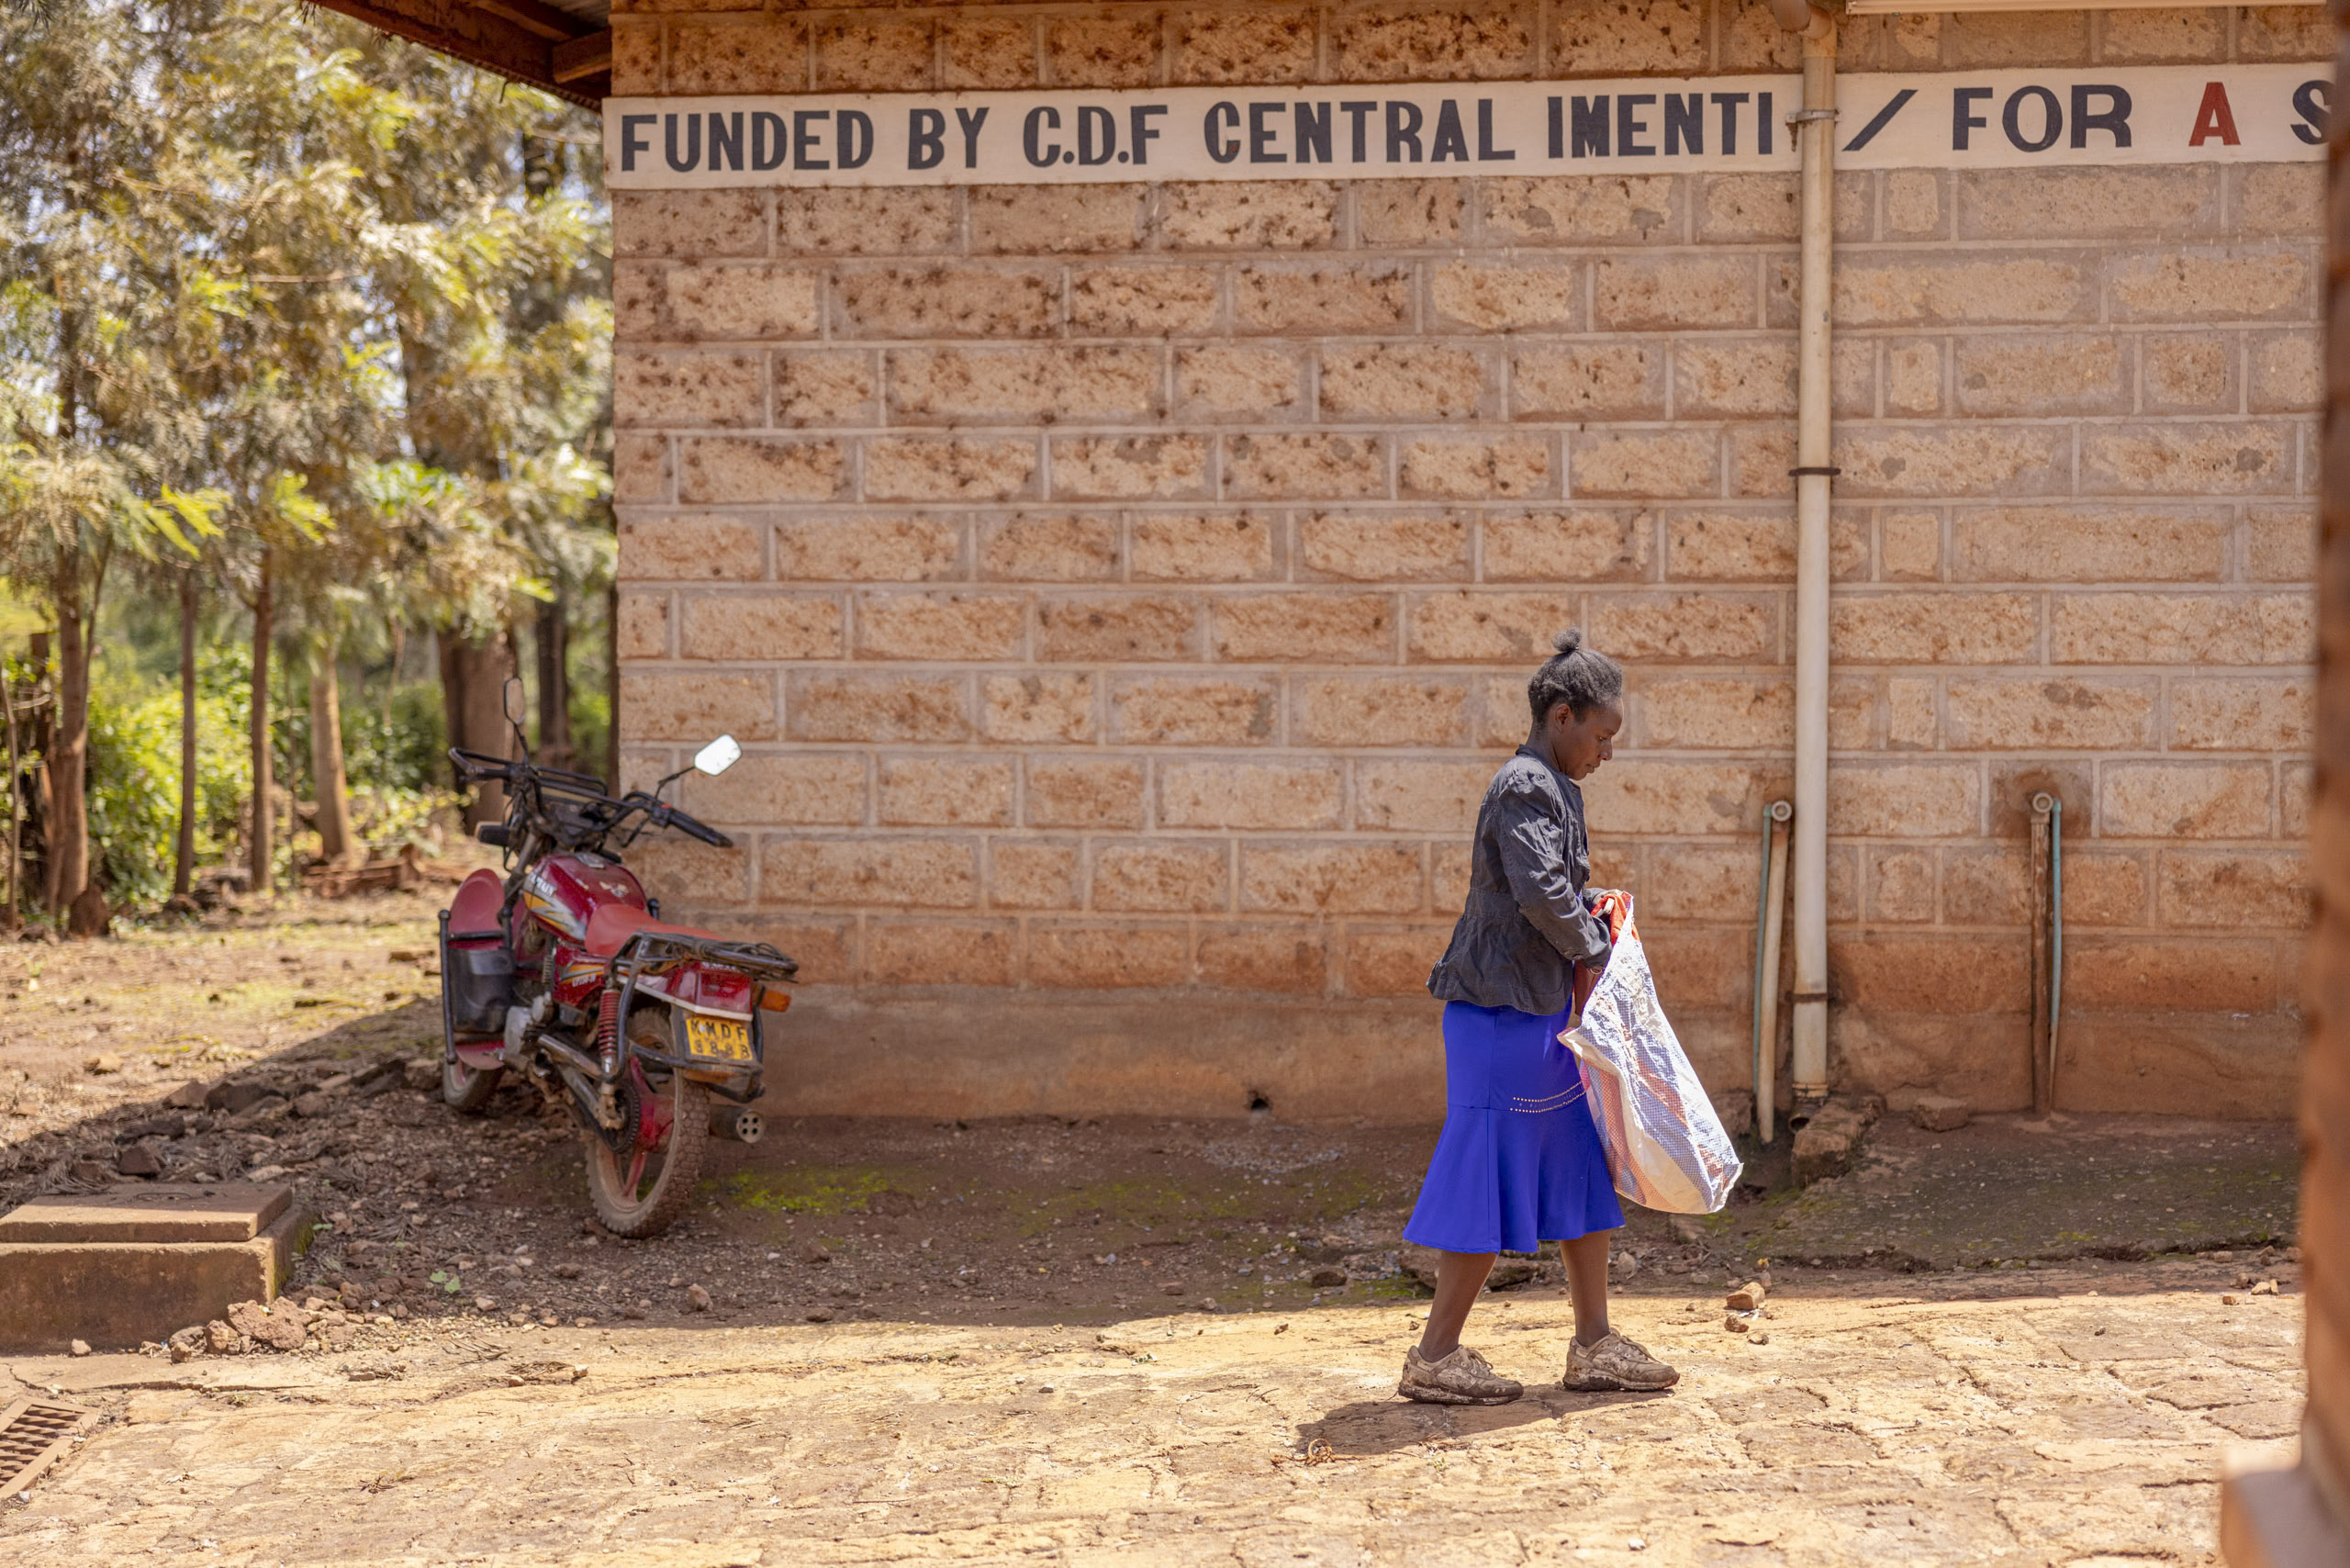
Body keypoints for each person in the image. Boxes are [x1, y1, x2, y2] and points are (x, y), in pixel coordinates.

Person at [1395, 629, 1678, 1406]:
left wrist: (1597, 921)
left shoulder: (1554, 788)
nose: (1607, 751)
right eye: (1602, 733)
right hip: (1499, 1019)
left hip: (1537, 1010)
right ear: (1563, 716)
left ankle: (1594, 1344)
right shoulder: (1525, 785)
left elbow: (1554, 892)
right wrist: (1596, 948)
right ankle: (1434, 1357)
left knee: (1578, 1158)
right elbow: (1540, 894)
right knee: (1491, 1176)